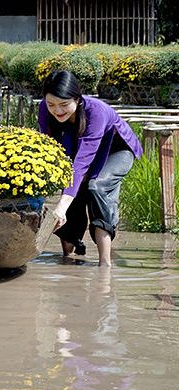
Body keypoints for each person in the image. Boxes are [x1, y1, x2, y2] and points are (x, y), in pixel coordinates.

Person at [38, 70, 143, 267]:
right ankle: (67, 259)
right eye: (51, 104)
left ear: (77, 99)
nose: (57, 110)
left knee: (96, 187)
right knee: (71, 190)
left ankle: (105, 265)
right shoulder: (45, 108)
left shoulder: (96, 111)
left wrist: (61, 206)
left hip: (115, 151)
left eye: (64, 105)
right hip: (77, 147)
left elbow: (83, 161)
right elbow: (48, 148)